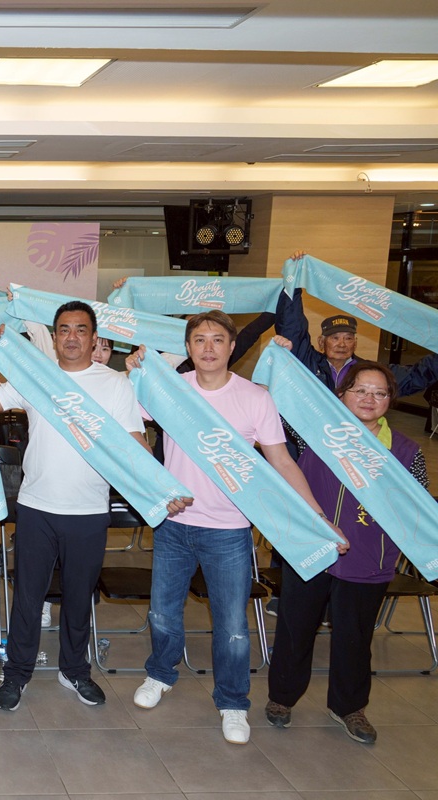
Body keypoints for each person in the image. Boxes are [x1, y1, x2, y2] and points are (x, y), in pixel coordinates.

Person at [125, 311, 344, 746]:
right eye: (199, 340)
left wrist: (318, 516)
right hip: (173, 524)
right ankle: (160, 674)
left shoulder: (255, 398)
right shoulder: (169, 389)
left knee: (232, 625)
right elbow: (129, 427)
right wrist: (134, 372)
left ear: (231, 346)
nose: (208, 348)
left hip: (229, 529)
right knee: (163, 612)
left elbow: (281, 460)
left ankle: (232, 701)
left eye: (217, 339)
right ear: (188, 348)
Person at [0, 307, 190, 712]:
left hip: (89, 510)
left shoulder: (114, 384)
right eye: (63, 330)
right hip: (36, 507)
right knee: (28, 597)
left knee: (78, 597)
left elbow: (133, 442)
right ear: (55, 337)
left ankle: (74, 670)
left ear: (94, 338)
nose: (71, 337)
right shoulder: (37, 376)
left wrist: (164, 487)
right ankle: (17, 672)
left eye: (80, 330)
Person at [266, 359, 427, 744]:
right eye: (360, 390)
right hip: (311, 550)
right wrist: (282, 353)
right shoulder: (313, 433)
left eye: (380, 393)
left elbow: (418, 511)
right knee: (295, 627)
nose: (370, 399)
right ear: (341, 395)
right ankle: (282, 697)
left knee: (355, 638)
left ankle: (349, 706)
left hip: (370, 558)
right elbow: (278, 402)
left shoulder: (406, 451)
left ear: (390, 400)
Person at [276, 251, 438, 396]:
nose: (342, 344)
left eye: (348, 338)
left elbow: (416, 376)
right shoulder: (308, 362)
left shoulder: (369, 372)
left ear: (355, 343)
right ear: (321, 342)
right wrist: (294, 282)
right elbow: (293, 327)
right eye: (335, 338)